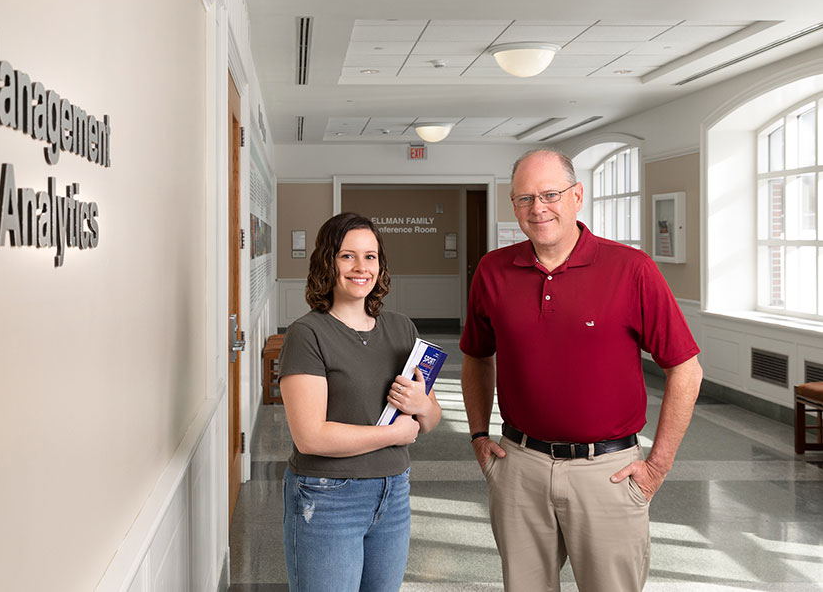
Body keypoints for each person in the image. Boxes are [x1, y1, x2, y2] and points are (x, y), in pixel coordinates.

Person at [461, 149, 703, 592]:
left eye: (550, 194)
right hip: (520, 467)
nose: (538, 208)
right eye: (524, 199)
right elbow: (477, 356)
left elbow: (686, 369)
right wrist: (479, 436)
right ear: (513, 205)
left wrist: (657, 467)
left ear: (577, 196)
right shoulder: (493, 272)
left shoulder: (632, 269)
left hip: (607, 472)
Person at [279, 211, 442, 592]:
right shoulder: (307, 334)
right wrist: (394, 434)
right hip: (327, 497)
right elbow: (311, 437)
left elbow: (430, 420)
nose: (360, 267)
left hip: (393, 494)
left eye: (370, 256)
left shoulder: (402, 328)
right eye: (347, 256)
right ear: (328, 261)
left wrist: (421, 403)